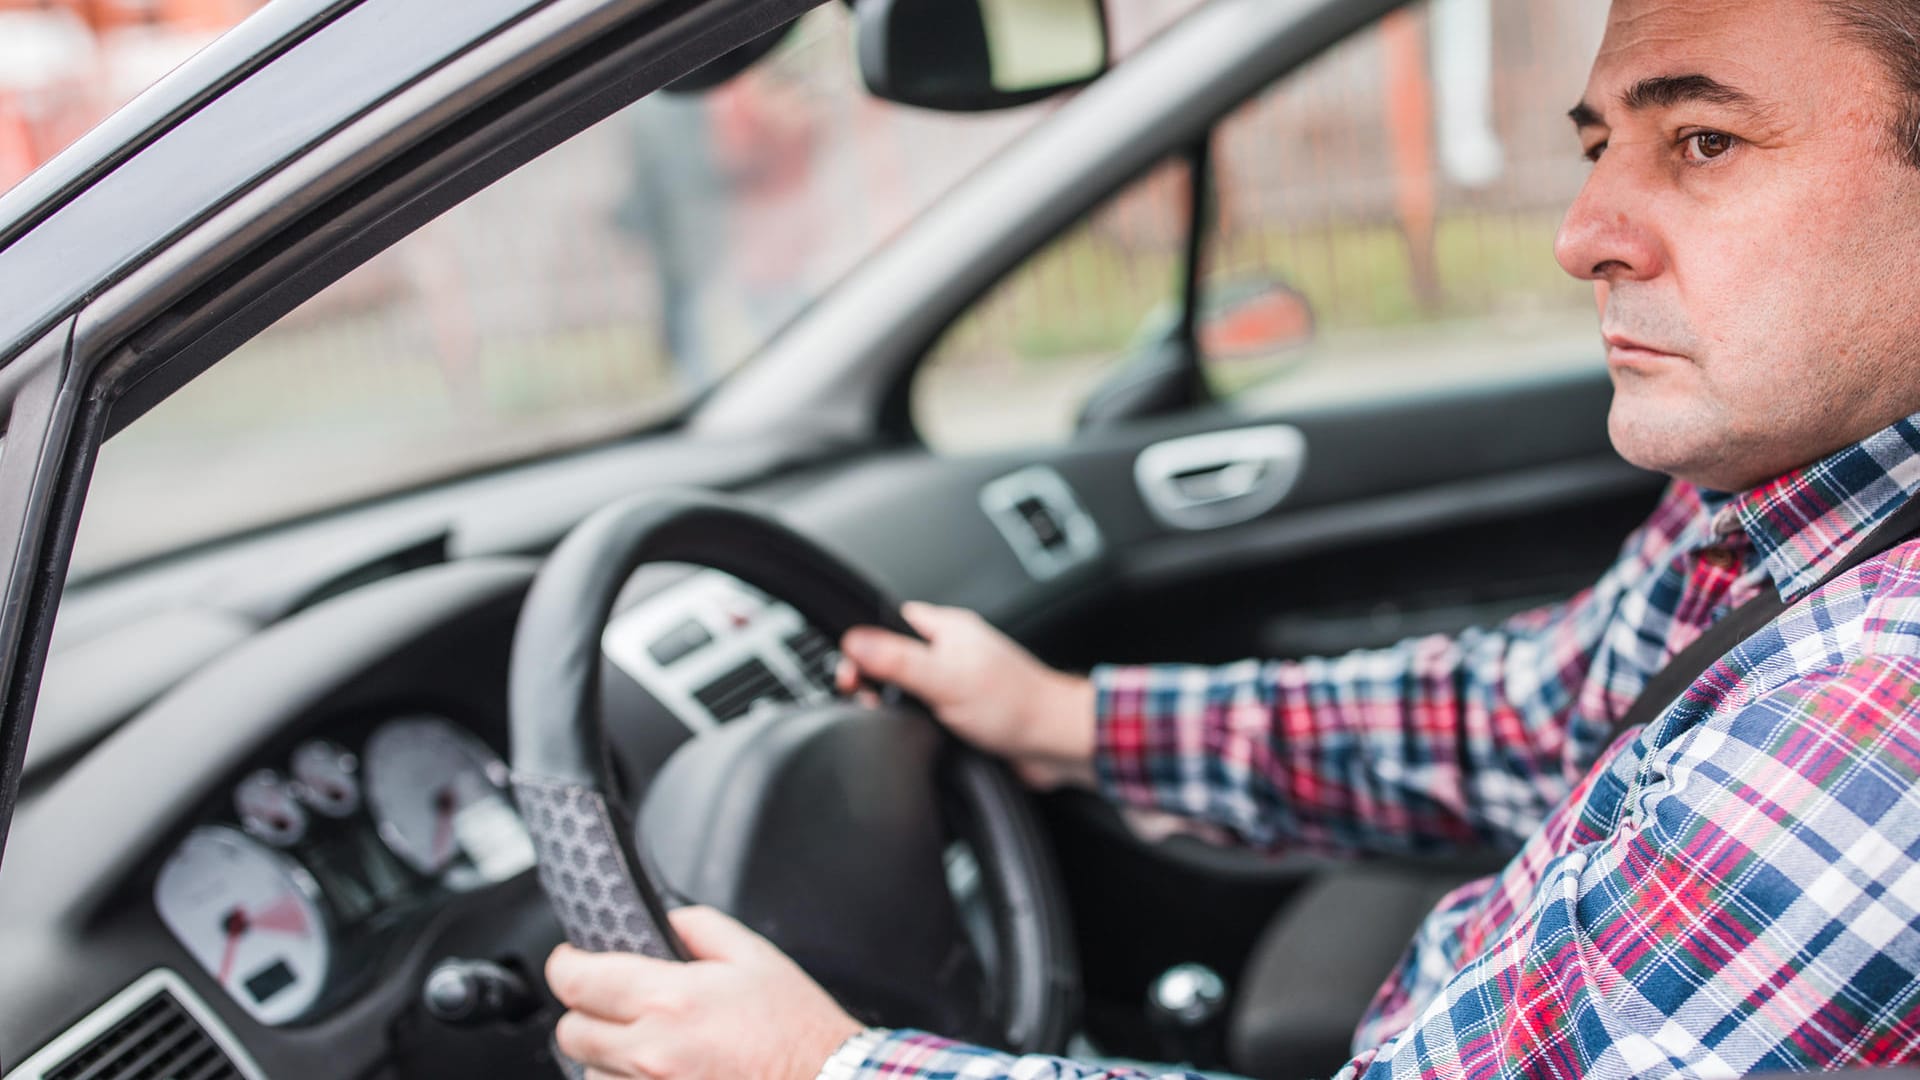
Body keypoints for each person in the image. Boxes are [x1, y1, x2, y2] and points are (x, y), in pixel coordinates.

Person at [540, 0, 1920, 1076]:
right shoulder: (1789, 501)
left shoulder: (1878, 712)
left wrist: (819, 1066)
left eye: (1704, 142)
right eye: (1598, 145)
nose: (1582, 234)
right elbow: (1529, 715)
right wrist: (1065, 718)